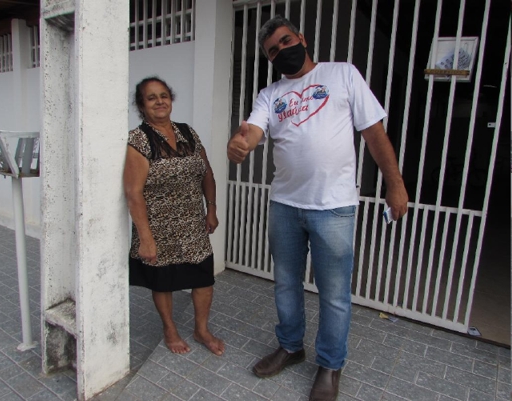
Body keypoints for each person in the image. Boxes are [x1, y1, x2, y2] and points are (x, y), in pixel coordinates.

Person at [227, 16, 408, 401]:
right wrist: (241, 144)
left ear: (302, 39)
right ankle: (291, 347)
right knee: (287, 285)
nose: (281, 51)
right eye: (273, 50)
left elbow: (374, 134)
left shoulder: (342, 74)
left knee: (335, 294)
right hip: (285, 205)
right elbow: (254, 131)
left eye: (285, 41)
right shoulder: (269, 94)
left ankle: (330, 364)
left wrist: (395, 184)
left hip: (334, 207)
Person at [124, 76, 224, 356]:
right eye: (151, 97)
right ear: (141, 105)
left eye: (164, 95)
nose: (159, 101)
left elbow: (207, 173)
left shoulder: (188, 133)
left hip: (193, 225)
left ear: (171, 99)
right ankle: (170, 329)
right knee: (163, 281)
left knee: (204, 279)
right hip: (158, 227)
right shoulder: (138, 140)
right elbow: (133, 192)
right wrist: (146, 238)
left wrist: (212, 208)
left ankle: (201, 329)